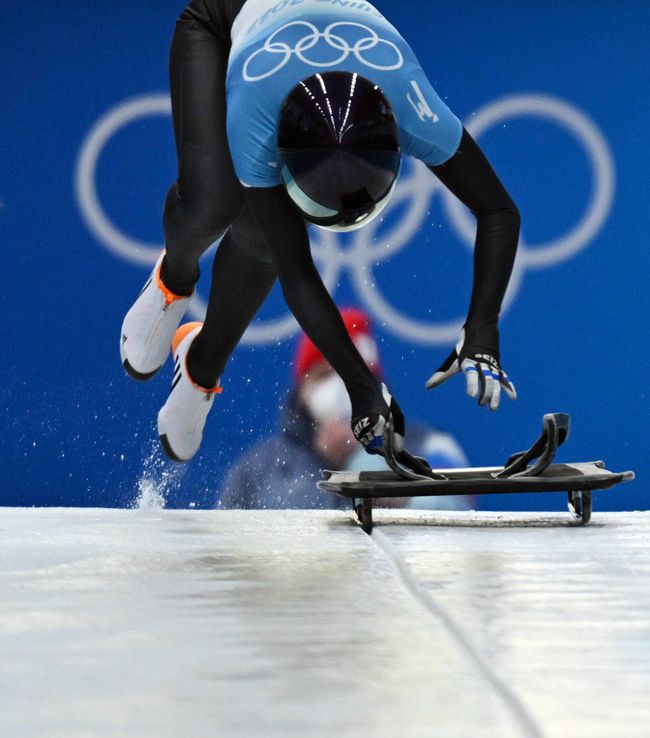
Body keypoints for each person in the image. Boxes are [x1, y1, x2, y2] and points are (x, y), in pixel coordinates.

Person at [120, 0, 520, 467]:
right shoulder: (257, 109)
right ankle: (174, 279)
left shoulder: (412, 103)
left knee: (261, 236)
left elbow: (498, 210)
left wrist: (482, 330)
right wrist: (362, 387)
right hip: (221, 21)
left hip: (306, 42)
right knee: (216, 204)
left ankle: (200, 366)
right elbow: (299, 272)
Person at [218, 308, 473, 510]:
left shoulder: (430, 445)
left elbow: (456, 509)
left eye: (351, 375)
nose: (339, 388)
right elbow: (223, 546)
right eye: (323, 375)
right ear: (301, 388)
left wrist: (365, 460)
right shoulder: (258, 467)